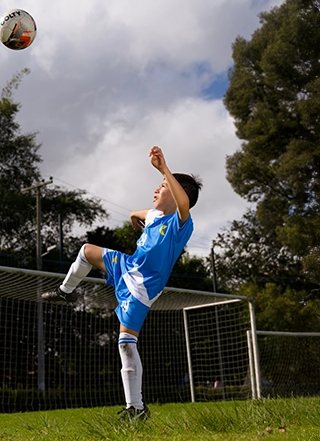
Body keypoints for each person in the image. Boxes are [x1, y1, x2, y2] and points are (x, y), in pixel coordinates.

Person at [42, 145, 202, 422]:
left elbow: (183, 204)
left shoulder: (181, 223)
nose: (156, 190)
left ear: (178, 195)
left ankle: (136, 408)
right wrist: (132, 217)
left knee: (126, 344)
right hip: (127, 266)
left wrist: (165, 168)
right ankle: (65, 291)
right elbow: (139, 213)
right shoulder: (154, 216)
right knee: (86, 250)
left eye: (163, 186)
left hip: (143, 288)